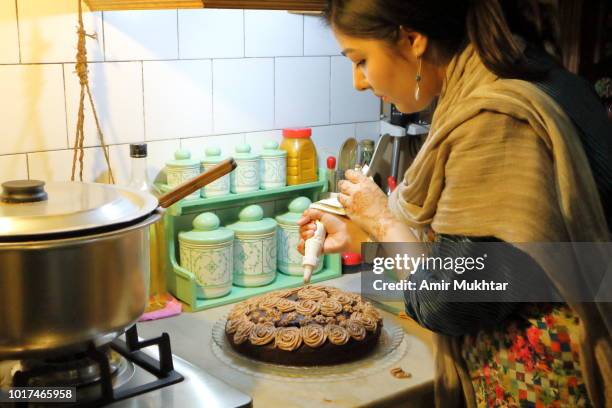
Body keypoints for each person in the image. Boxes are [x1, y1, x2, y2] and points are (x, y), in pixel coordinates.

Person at [297, 1, 612, 406]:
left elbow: (448, 300)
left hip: (546, 384)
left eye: (360, 60)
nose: (359, 81)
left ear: (412, 40)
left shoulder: (495, 121)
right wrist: (365, 240)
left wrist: (381, 222)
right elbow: (502, 265)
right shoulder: (548, 79)